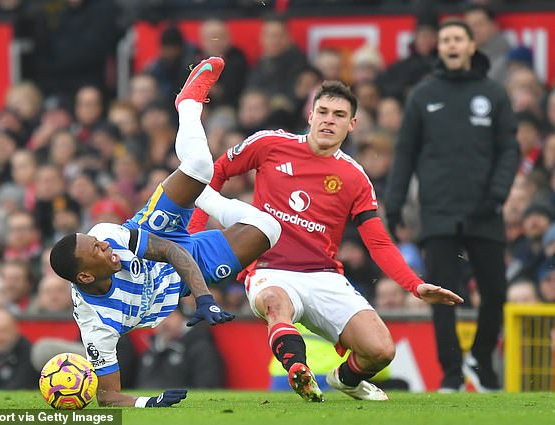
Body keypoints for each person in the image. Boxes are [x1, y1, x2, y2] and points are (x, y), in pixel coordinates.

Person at [188, 80, 463, 403]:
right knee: (276, 303)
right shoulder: (269, 144)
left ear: (352, 124)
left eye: (339, 114)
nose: (329, 120)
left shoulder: (354, 177)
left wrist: (415, 285)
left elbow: (379, 243)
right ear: (310, 115)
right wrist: (193, 238)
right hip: (269, 269)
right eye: (323, 111)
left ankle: (345, 379)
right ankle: (298, 370)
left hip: (324, 275)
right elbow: (213, 174)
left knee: (381, 350)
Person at [49, 57, 281, 408]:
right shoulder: (96, 324)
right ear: (84, 275)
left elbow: (172, 251)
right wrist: (149, 403)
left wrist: (204, 300)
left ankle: (187, 105)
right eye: (97, 251)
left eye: (98, 243)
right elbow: (108, 397)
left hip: (158, 235)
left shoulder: (110, 235)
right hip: (180, 279)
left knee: (201, 165)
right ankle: (206, 197)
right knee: (268, 229)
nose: (104, 247)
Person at [385, 19, 519, 393]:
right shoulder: (423, 95)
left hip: (485, 209)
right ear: (439, 48)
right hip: (439, 211)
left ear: (472, 46)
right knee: (441, 295)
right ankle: (451, 374)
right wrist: (393, 205)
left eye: (458, 38)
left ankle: (481, 356)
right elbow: (405, 154)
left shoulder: (493, 93)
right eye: (445, 39)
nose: (451, 44)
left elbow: (509, 149)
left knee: (495, 292)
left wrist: (498, 193)